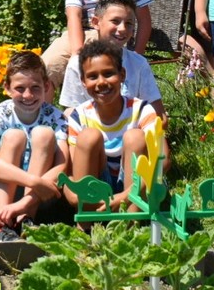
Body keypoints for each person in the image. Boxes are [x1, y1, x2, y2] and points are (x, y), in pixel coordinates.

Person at [63, 39, 160, 212]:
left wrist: (124, 197)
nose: (101, 82)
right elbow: (70, 166)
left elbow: (162, 161)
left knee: (135, 137)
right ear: (83, 82)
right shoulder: (79, 117)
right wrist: (71, 192)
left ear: (122, 75)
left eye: (108, 74)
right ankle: (88, 222)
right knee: (88, 136)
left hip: (139, 185)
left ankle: (131, 224)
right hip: (98, 184)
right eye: (92, 76)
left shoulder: (142, 110)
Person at [0, 50, 68, 242]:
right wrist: (32, 180)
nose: (28, 95)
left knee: (44, 134)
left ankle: (26, 218)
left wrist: (29, 197)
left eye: (35, 88)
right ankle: (2, 225)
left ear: (46, 86)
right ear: (7, 88)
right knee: (13, 136)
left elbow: (63, 166)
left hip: (40, 194)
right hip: (4, 188)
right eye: (20, 88)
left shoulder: (56, 117)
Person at [59, 0, 164, 118]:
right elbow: (71, 111)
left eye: (129, 23)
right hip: (91, 131)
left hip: (131, 130)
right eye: (115, 21)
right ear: (96, 22)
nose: (122, 29)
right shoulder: (77, 64)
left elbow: (157, 112)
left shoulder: (138, 63)